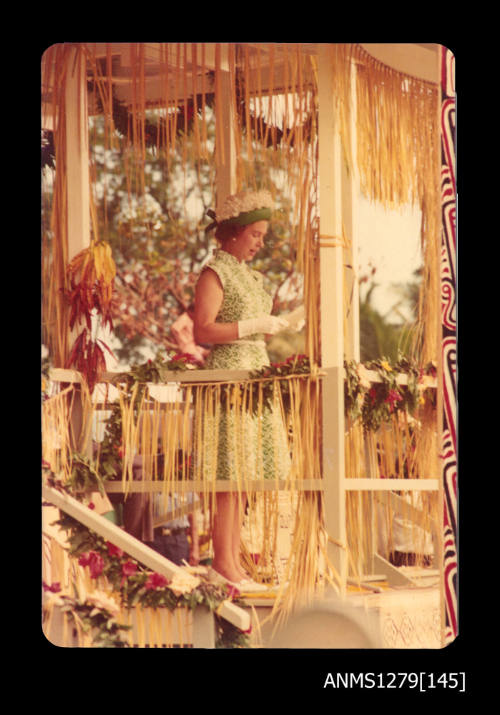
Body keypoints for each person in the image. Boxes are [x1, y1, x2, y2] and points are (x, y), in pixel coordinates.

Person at [194, 189, 294, 592]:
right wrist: (254, 327)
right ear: (232, 233)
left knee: (247, 472)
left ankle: (233, 562)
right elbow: (204, 329)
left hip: (255, 372)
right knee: (230, 470)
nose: (260, 242)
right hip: (230, 374)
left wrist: (272, 328)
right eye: (255, 234)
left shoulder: (249, 275)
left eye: (262, 234)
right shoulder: (214, 272)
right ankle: (223, 564)